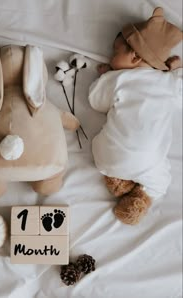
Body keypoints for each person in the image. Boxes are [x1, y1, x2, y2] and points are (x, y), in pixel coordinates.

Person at [88, 7, 183, 225]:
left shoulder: (119, 79)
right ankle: (140, 199)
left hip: (107, 158)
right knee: (159, 183)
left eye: (115, 52)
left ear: (135, 56)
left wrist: (105, 78)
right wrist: (176, 72)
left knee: (105, 145)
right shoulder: (169, 84)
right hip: (148, 162)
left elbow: (95, 101)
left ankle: (118, 181)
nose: (111, 58)